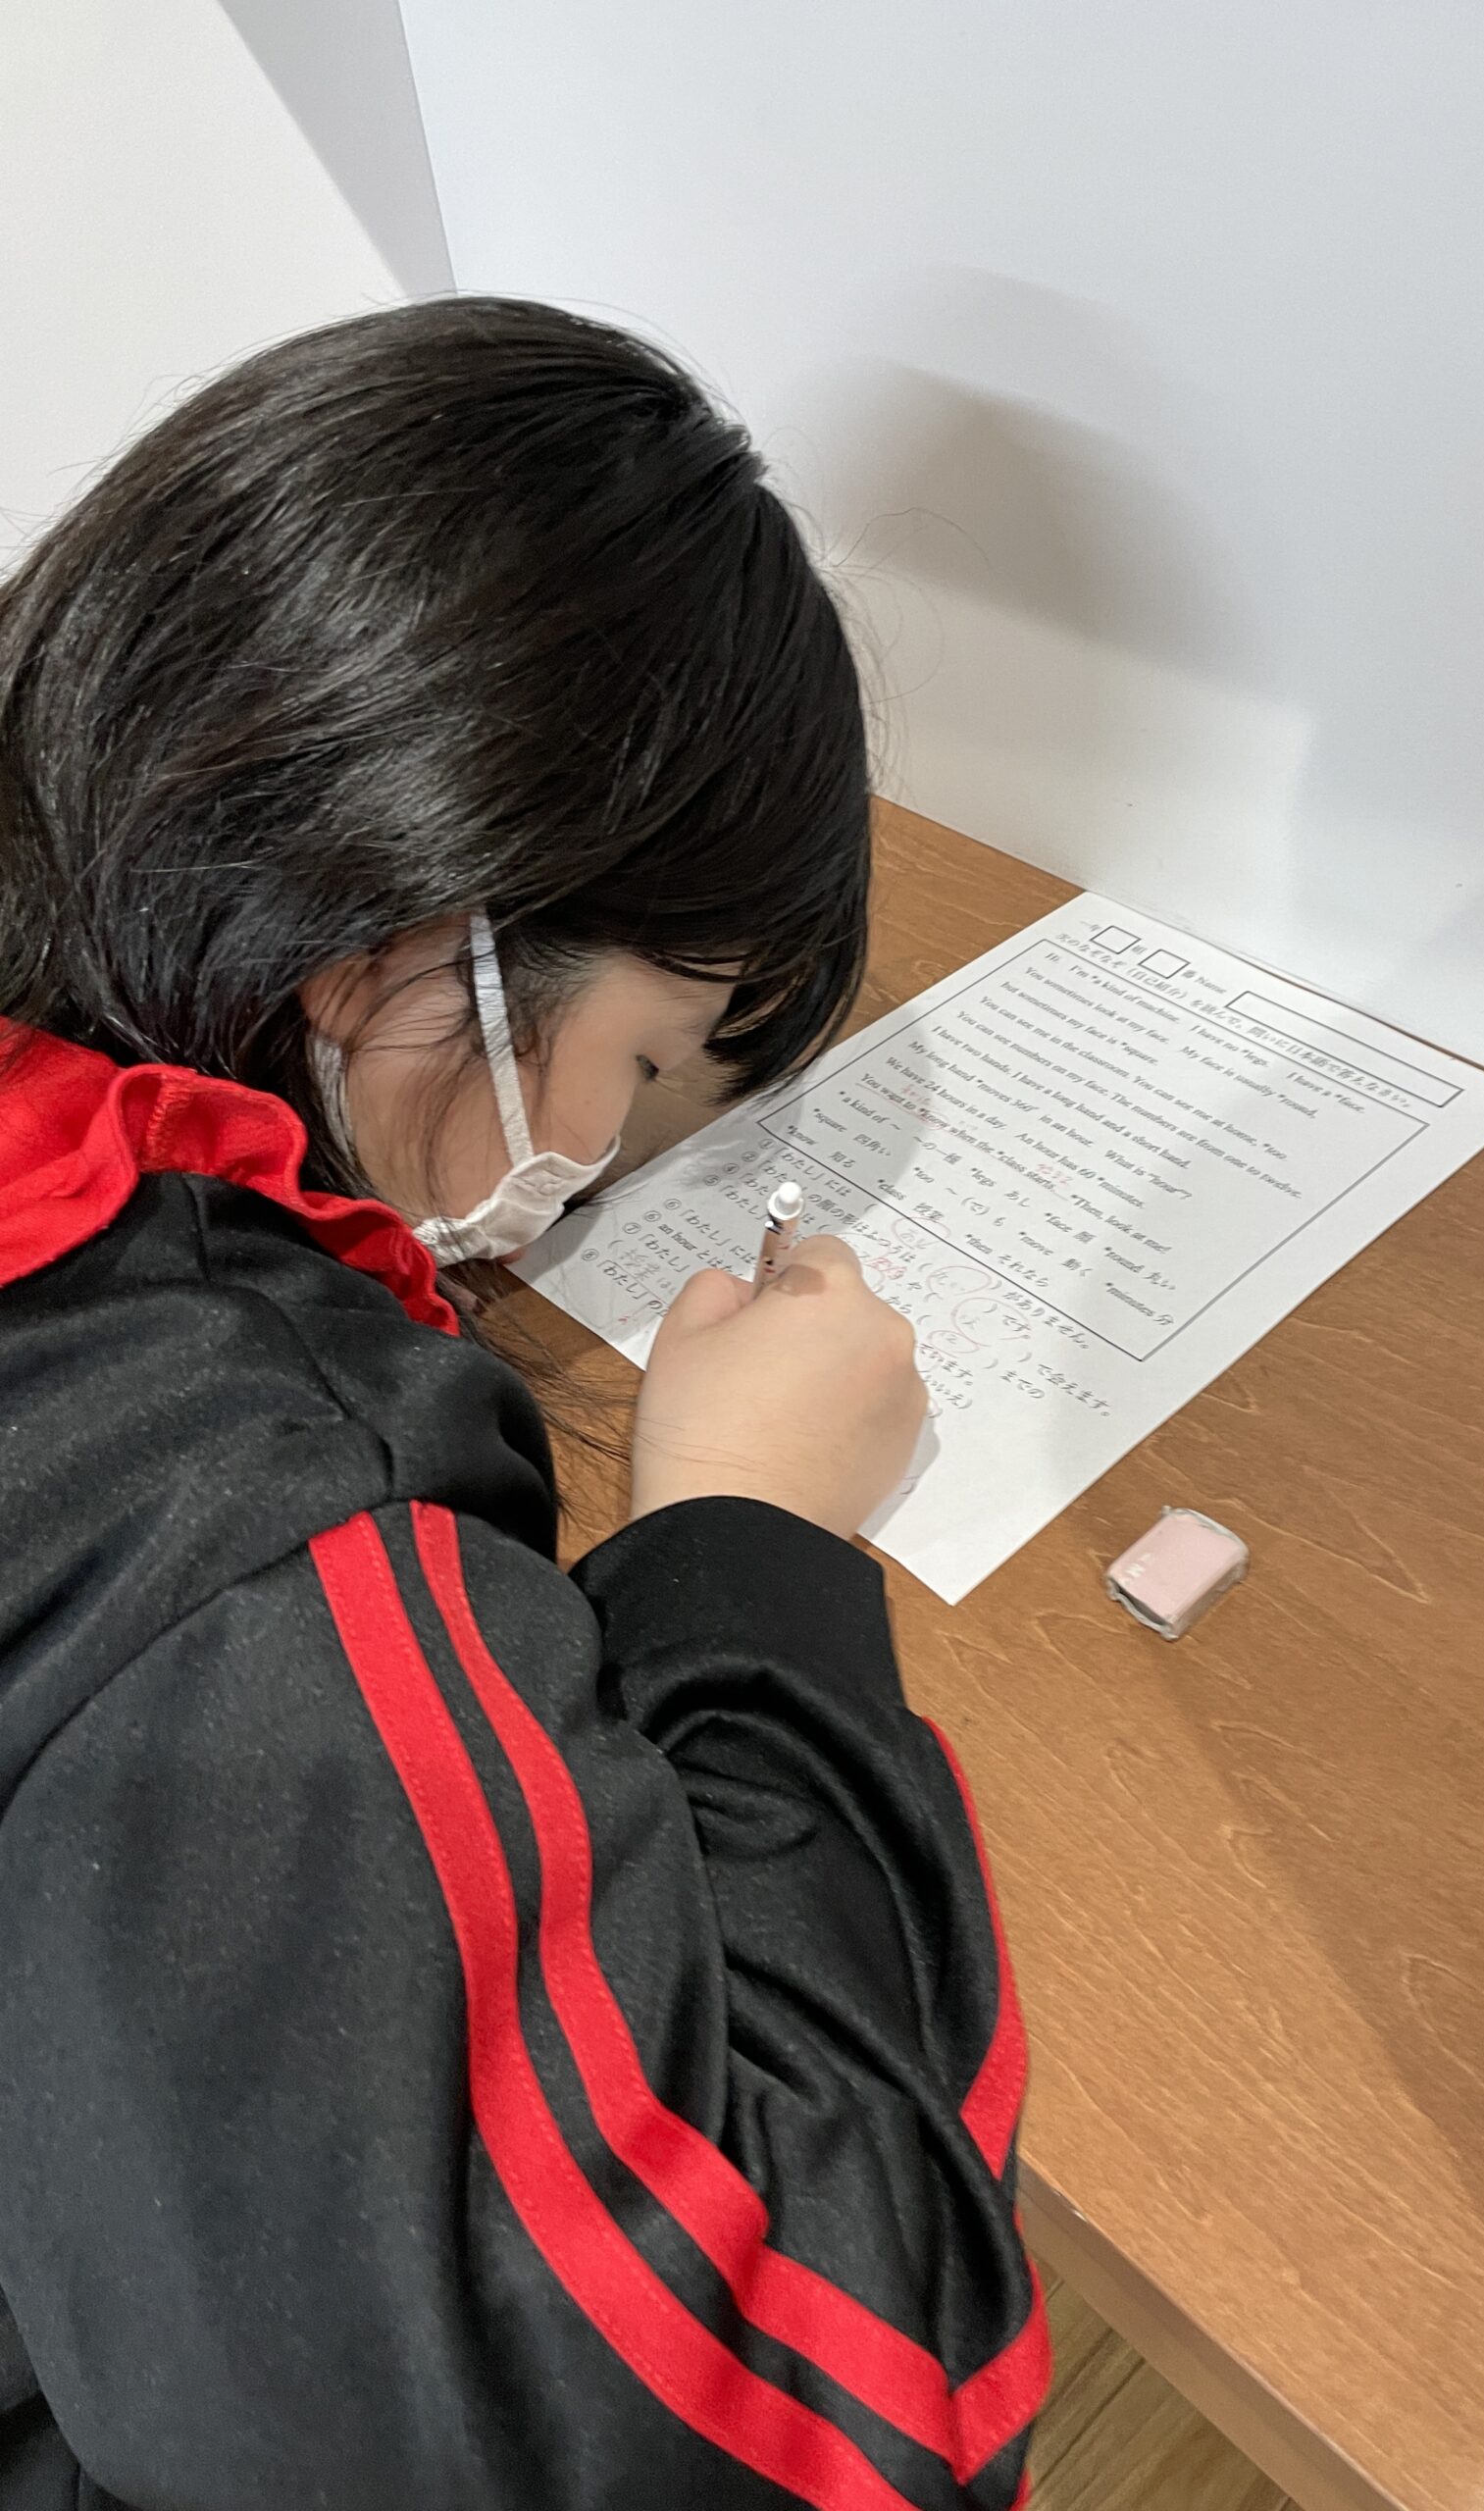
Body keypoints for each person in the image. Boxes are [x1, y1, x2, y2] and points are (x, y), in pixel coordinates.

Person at [0, 298, 1046, 2510]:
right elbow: (825, 2414)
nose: (596, 1172)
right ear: (402, 945)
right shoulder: (249, 1484)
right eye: (647, 1073)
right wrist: (752, 1544)